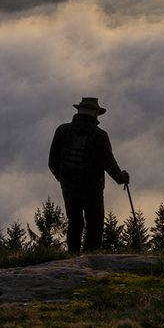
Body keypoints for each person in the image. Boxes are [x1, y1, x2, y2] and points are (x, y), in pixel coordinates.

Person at [48, 97, 129, 254]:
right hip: (92, 188)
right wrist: (122, 178)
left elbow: (52, 162)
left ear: (78, 111)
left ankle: (72, 255)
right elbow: (109, 163)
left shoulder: (62, 131)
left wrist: (63, 179)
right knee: (95, 223)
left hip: (69, 186)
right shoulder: (99, 135)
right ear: (95, 114)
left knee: (75, 222)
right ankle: (91, 258)